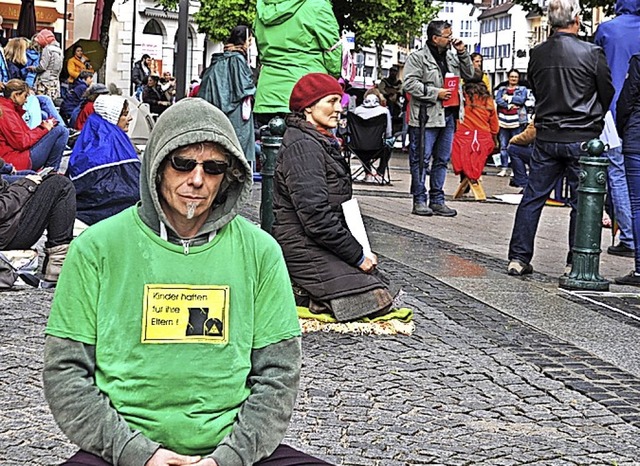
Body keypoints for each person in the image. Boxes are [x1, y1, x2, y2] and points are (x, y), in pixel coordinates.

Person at [43, 97, 332, 466]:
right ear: (158, 167)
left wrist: (227, 458)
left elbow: (278, 374)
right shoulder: (96, 249)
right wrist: (138, 454)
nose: (197, 179)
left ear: (229, 175)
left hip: (232, 451)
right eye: (183, 163)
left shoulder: (261, 252)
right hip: (122, 450)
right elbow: (66, 371)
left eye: (213, 168)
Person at [273, 73, 395, 321]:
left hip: (315, 240)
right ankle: (301, 293)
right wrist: (357, 256)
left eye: (339, 101)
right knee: (375, 297)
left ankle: (312, 293)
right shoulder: (303, 146)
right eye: (331, 101)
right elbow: (316, 217)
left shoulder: (317, 140)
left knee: (383, 286)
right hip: (302, 245)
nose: (339, 109)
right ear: (308, 107)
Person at [507, 0, 614, 276]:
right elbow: (606, 90)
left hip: (548, 133)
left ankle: (518, 257)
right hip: (581, 134)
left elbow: (535, 87)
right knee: (582, 202)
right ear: (576, 19)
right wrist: (594, 117)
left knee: (533, 197)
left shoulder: (538, 53)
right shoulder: (591, 52)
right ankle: (574, 261)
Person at [403, 20, 474, 217]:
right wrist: (435, 93)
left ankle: (437, 199)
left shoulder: (452, 57)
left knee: (442, 160)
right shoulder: (418, 58)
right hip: (426, 116)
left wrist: (462, 52)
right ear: (435, 38)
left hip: (449, 115)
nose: (451, 38)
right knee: (421, 160)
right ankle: (419, 199)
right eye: (447, 36)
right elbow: (409, 84)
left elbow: (469, 74)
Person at [594, 0, 640, 258]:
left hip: (612, 112)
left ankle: (630, 238)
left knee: (617, 175)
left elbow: (594, 66)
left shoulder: (607, 29)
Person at [253, 0, 341, 122]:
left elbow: (261, 48)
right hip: (307, 93)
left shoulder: (263, 7)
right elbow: (333, 51)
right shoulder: (317, 5)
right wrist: (331, 80)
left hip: (267, 96)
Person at [0, 157, 75, 284]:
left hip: (6, 227)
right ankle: (58, 264)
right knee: (60, 185)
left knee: (49, 180)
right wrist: (25, 185)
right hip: (5, 234)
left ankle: (57, 263)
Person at [67, 95, 140, 225]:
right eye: (124, 115)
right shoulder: (110, 138)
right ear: (112, 116)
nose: (130, 118)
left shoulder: (96, 128)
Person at [199, 25, 256, 167]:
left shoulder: (219, 60)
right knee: (236, 149)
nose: (250, 45)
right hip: (235, 112)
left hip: (217, 110)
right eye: (249, 41)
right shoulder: (237, 60)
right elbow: (245, 87)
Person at [0, 79, 68, 171]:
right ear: (16, 95)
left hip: (15, 156)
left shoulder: (8, 109)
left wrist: (42, 127)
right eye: (25, 96)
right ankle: (51, 172)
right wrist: (43, 129)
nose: (26, 101)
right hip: (16, 160)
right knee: (62, 131)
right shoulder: (7, 112)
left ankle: (50, 171)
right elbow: (22, 143)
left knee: (57, 129)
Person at [615, 53, 640, 285]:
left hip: (637, 138)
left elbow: (626, 101)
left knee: (638, 204)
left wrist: (624, 128)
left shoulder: (639, 61)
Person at [450, 70, 499, 184]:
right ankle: (473, 177)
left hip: (463, 135)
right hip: (483, 136)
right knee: (478, 156)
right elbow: (494, 124)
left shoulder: (461, 96)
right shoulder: (488, 99)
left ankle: (465, 179)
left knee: (463, 154)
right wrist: (494, 135)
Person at [352, 89, 394, 183]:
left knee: (361, 143)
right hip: (378, 148)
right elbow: (389, 133)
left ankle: (368, 173)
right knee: (389, 145)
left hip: (359, 148)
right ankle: (380, 173)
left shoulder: (356, 111)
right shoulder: (384, 111)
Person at [495, 69, 528, 177]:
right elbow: (498, 100)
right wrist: (509, 105)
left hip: (517, 121)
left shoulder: (523, 89)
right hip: (503, 121)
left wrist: (509, 98)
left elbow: (521, 100)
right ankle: (504, 168)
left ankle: (515, 169)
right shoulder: (501, 89)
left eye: (516, 77)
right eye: (512, 76)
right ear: (508, 77)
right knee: (503, 146)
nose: (513, 79)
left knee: (515, 145)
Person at [32, 29, 63, 102]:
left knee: (42, 102)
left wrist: (34, 69)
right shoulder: (59, 50)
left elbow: (43, 67)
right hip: (54, 82)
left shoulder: (47, 49)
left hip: (44, 82)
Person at [507, 118, 535, 190]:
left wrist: (512, 139)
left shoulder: (543, 113)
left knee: (513, 149)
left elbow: (527, 137)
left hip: (544, 154)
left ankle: (523, 183)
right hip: (564, 152)